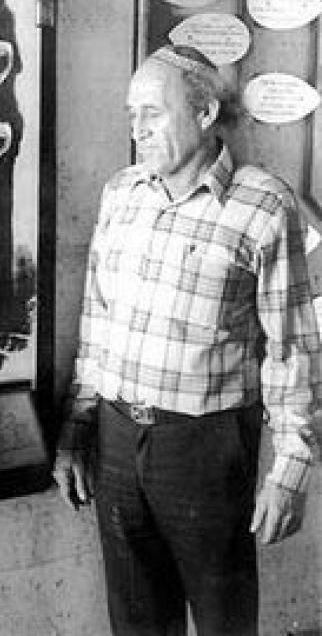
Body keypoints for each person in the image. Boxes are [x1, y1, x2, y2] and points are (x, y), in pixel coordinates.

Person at [53, 44, 321, 636]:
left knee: (224, 623)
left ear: (203, 113)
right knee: (137, 624)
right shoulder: (120, 193)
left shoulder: (264, 204)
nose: (136, 129)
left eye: (152, 112)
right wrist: (78, 427)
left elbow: (291, 350)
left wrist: (291, 468)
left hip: (207, 447)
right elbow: (96, 326)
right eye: (131, 114)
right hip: (117, 441)